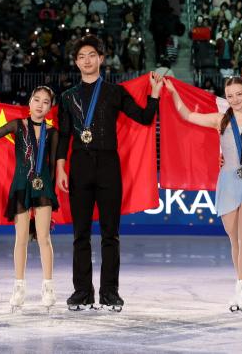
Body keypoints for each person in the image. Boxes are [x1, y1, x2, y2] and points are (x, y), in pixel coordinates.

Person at [56, 35, 164, 312]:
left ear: (101, 59)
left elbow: (143, 118)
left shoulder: (114, 93)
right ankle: (82, 291)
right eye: (81, 57)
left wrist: (153, 94)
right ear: (76, 63)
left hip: (107, 165)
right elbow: (65, 136)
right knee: (80, 233)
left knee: (110, 233)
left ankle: (109, 292)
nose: (87, 60)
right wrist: (60, 168)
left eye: (92, 55)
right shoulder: (67, 97)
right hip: (78, 165)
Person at [164, 76, 242, 312]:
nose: (235, 99)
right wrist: (173, 91)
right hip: (229, 182)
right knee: (233, 238)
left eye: (239, 94)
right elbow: (187, 115)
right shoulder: (220, 120)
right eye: (230, 96)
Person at [0, 86, 59, 311]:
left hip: (43, 187)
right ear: (29, 102)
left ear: (50, 107)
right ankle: (19, 287)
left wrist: (50, 192)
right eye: (36, 99)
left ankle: (48, 287)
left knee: (44, 238)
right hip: (20, 186)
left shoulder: (53, 133)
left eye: (45, 102)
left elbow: (53, 166)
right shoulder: (18, 125)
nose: (40, 105)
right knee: (21, 239)